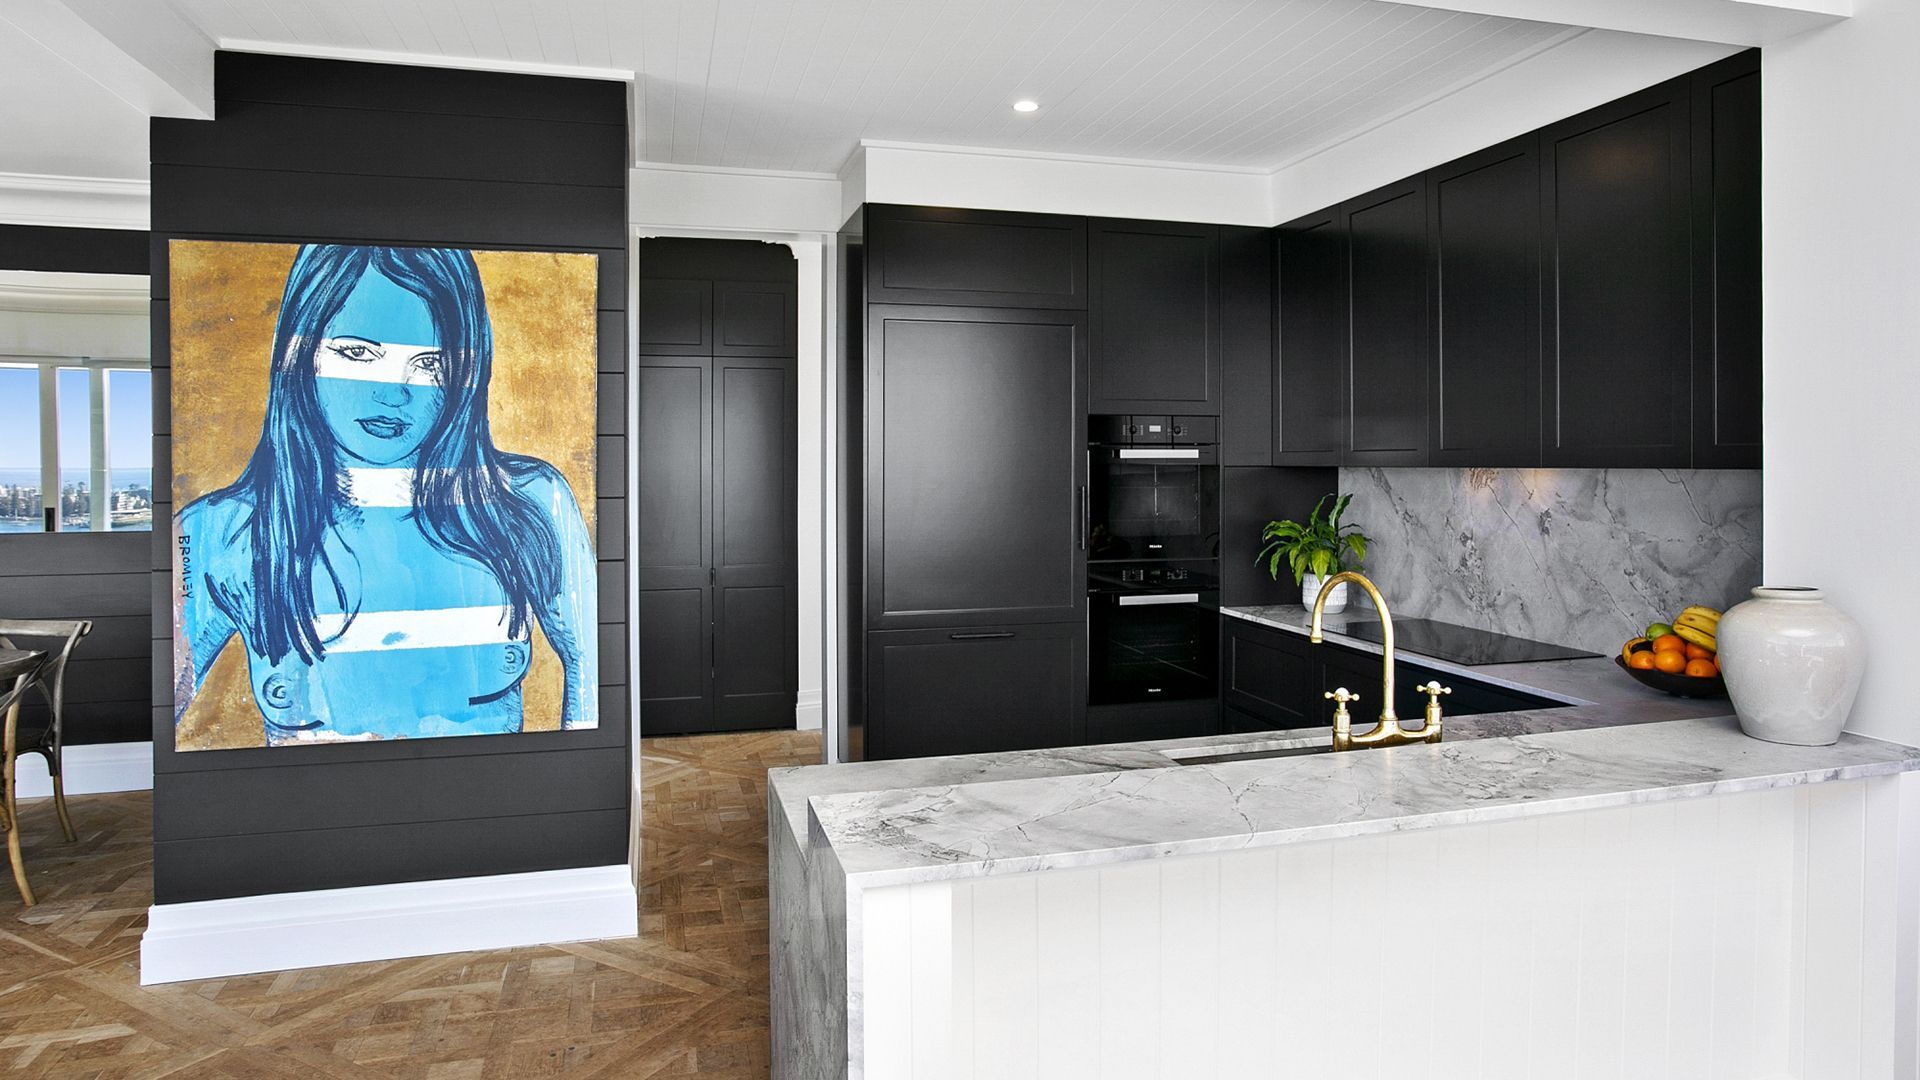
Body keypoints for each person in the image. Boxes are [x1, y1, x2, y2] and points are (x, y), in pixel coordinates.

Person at [173, 244, 597, 744]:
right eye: (357, 353)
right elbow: (164, 704)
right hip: (313, 818)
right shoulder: (218, 532)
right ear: (296, 353)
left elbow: (593, 666)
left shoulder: (529, 501)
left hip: (490, 808)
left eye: (429, 363)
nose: (394, 393)